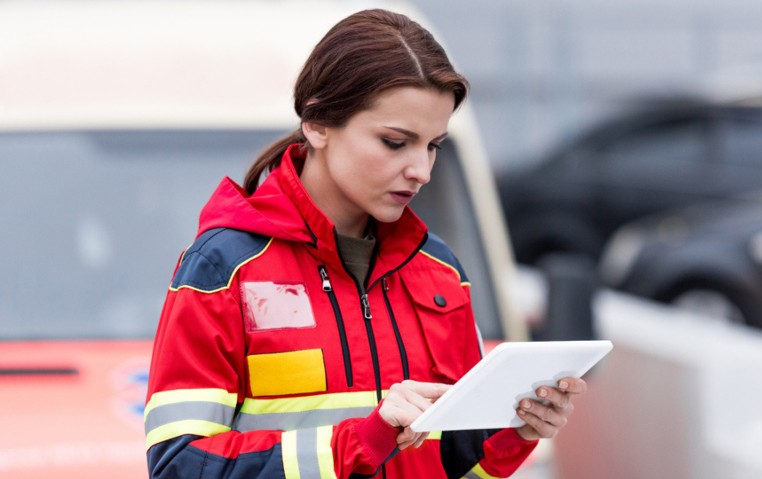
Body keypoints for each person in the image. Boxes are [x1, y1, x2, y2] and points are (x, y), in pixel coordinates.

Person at [144, 8, 586, 479]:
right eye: (396, 143)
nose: (422, 170)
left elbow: (455, 463)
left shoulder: (440, 270)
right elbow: (178, 467)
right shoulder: (224, 267)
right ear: (316, 123)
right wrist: (359, 441)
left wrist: (513, 433)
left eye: (433, 145)